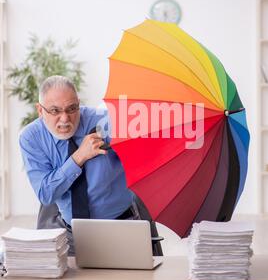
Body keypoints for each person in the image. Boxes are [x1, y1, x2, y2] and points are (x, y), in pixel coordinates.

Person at [19, 75, 163, 256]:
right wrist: (79, 156)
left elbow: (145, 160)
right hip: (70, 235)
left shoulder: (106, 122)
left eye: (72, 108)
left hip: (123, 226)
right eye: (55, 111)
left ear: (79, 103)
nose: (65, 119)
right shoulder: (31, 138)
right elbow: (46, 194)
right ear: (40, 110)